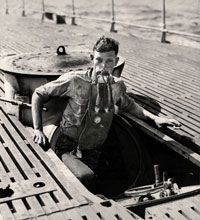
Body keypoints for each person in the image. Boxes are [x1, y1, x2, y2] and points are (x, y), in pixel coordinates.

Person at [32, 36, 180, 193]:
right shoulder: (75, 80)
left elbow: (129, 105)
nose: (103, 66)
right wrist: (37, 129)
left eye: (109, 61)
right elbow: (38, 94)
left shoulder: (117, 86)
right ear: (92, 59)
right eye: (98, 60)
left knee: (112, 177)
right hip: (67, 146)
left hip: (95, 150)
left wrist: (156, 118)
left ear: (115, 62)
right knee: (86, 177)